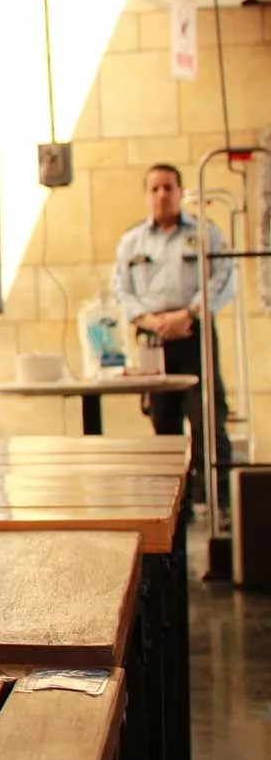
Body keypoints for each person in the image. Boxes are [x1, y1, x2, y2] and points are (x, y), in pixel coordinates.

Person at [114, 163, 234, 511]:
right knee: (162, 424)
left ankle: (216, 505)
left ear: (181, 193)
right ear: (147, 195)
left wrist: (190, 313)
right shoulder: (131, 241)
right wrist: (150, 320)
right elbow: (121, 290)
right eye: (155, 189)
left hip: (194, 333)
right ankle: (171, 510)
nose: (162, 195)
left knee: (207, 419)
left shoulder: (204, 233)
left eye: (169, 187)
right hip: (152, 339)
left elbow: (224, 276)